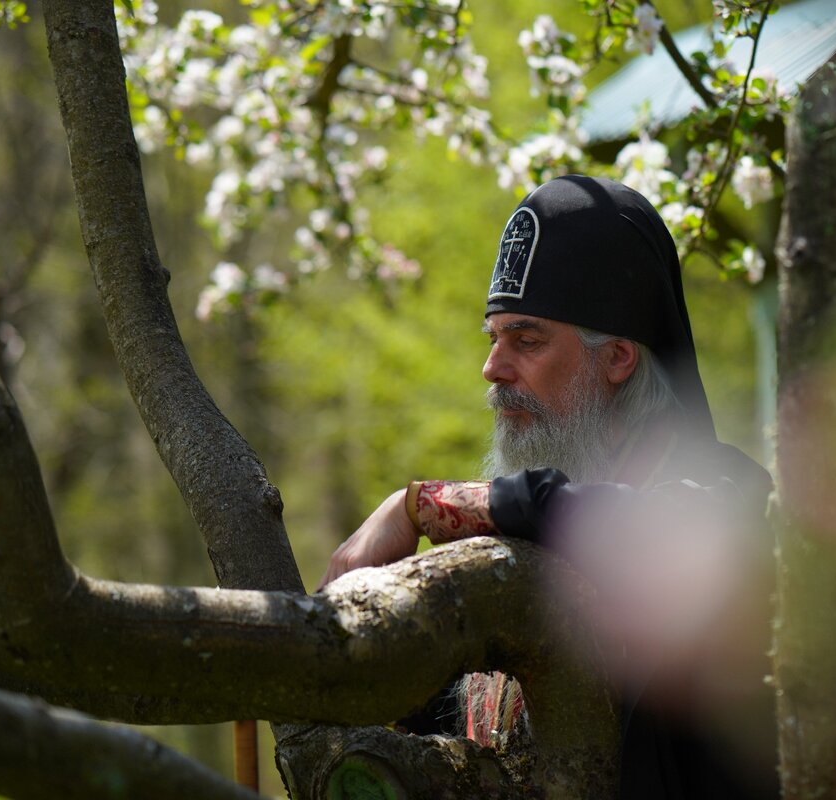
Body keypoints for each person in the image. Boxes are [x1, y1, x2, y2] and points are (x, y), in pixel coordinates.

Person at [318, 175, 778, 798]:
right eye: (494, 338)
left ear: (617, 357)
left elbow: (603, 520)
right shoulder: (515, 533)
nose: (492, 368)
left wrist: (419, 507)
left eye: (527, 340)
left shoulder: (726, 496)